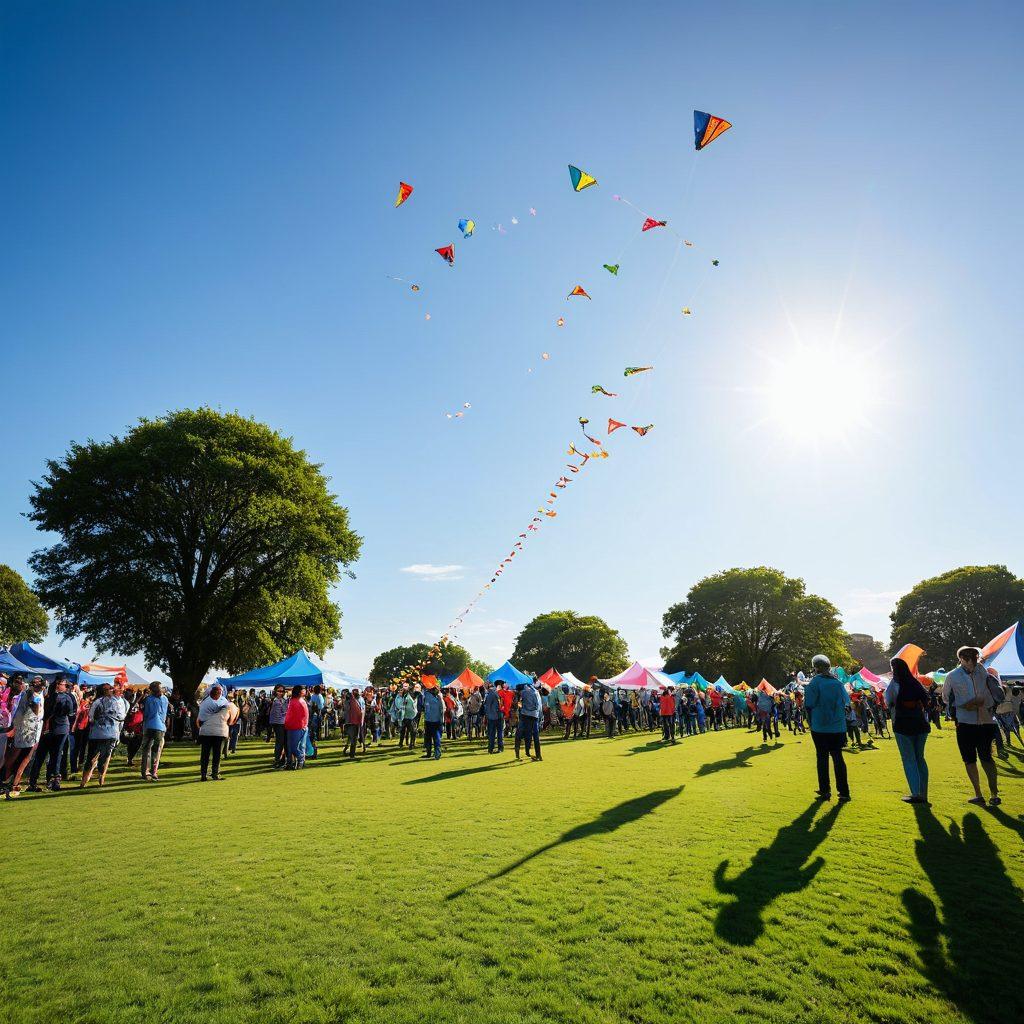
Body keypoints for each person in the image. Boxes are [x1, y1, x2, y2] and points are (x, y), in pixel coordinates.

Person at [942, 645, 1003, 806]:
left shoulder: (984, 672)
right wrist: (965, 704)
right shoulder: (952, 675)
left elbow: (995, 694)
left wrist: (984, 702)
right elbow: (946, 698)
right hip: (965, 723)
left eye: (973, 657)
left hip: (986, 721)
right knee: (969, 759)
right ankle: (978, 794)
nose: (971, 660)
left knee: (986, 757)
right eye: (966, 657)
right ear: (960, 658)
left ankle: (994, 793)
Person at [804, 654, 852, 802]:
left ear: (815, 668)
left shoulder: (814, 683)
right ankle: (844, 791)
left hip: (820, 726)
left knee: (822, 757)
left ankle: (825, 790)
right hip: (838, 726)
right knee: (838, 757)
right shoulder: (837, 683)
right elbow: (846, 702)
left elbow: (809, 705)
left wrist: (810, 723)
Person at [885, 657, 931, 804]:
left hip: (903, 725)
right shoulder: (915, 682)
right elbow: (926, 699)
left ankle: (916, 793)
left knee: (909, 759)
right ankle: (923, 793)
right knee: (920, 758)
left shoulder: (894, 684)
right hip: (920, 724)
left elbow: (888, 702)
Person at [27, 675, 78, 792]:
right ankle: (53, 780)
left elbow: (39, 709)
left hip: (51, 728)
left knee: (42, 756)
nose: (66, 687)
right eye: (64, 685)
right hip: (57, 728)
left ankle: (34, 781)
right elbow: (71, 711)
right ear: (58, 685)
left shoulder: (47, 696)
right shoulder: (63, 697)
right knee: (55, 755)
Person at [1, 676, 45, 798]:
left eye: (40, 682)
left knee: (27, 758)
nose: (38, 685)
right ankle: (4, 782)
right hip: (24, 730)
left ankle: (14, 783)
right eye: (35, 682)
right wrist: (14, 729)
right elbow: (21, 713)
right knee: (14, 757)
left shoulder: (41, 694)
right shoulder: (28, 694)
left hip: (35, 731)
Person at [80, 682, 128, 788]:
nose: (110, 690)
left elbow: (122, 717)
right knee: (92, 758)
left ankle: (101, 778)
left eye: (111, 688)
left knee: (105, 758)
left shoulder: (119, 702)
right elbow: (91, 717)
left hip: (111, 734)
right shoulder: (98, 702)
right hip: (97, 734)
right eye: (107, 689)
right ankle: (84, 780)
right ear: (102, 691)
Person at [197, 684, 230, 781]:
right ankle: (215, 773)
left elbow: (201, 718)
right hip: (220, 732)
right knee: (217, 754)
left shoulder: (204, 703)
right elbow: (228, 716)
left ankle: (203, 774)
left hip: (206, 731)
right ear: (220, 693)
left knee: (205, 754)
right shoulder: (224, 702)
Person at [140, 681, 169, 780]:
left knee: (146, 750)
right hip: (160, 726)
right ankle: (154, 772)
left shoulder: (148, 699)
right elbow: (164, 714)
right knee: (157, 751)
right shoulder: (165, 699)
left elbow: (146, 714)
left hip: (149, 726)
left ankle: (146, 772)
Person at [283, 685, 309, 770]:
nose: (304, 691)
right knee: (300, 746)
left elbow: (290, 715)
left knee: (293, 747)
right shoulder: (301, 701)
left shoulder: (295, 701)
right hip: (300, 726)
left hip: (295, 727)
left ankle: (299, 760)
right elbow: (304, 715)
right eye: (303, 690)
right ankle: (299, 762)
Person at [516, 681, 542, 761]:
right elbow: (539, 706)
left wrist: (521, 706)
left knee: (522, 734)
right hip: (535, 716)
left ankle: (522, 753)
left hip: (526, 715)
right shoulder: (535, 692)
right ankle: (538, 755)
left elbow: (520, 704)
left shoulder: (524, 692)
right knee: (535, 736)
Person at [422, 684, 444, 760]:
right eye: (436, 689)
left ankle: (437, 753)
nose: (438, 691)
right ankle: (429, 753)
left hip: (435, 721)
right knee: (429, 737)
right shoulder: (428, 695)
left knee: (436, 738)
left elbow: (442, 710)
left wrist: (441, 721)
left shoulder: (438, 697)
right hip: (429, 720)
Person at [268, 685, 288, 767]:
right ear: (275, 691)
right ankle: (277, 760)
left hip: (283, 724)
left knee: (284, 743)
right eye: (279, 691)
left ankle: (282, 760)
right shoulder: (276, 701)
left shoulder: (283, 700)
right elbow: (281, 713)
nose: (281, 693)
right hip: (278, 724)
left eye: (282, 691)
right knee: (280, 743)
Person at [483, 682, 504, 753]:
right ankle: (500, 748)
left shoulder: (490, 695)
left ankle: (491, 748)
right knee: (500, 733)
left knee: (492, 733)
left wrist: (486, 716)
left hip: (493, 717)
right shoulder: (497, 693)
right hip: (499, 715)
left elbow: (487, 707)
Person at [344, 688, 364, 759]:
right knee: (354, 738)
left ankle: (347, 751)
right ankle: (351, 755)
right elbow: (359, 711)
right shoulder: (354, 702)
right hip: (353, 722)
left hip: (350, 722)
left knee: (351, 738)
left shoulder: (348, 702)